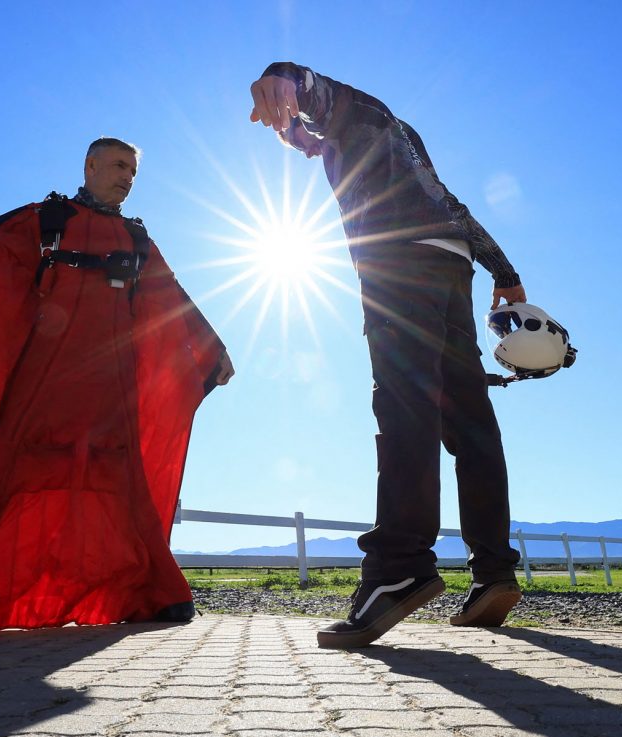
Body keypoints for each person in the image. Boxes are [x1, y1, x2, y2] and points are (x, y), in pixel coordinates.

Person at [0, 138, 234, 642]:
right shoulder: (45, 219)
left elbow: (173, 300)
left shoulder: (138, 240)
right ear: (90, 165)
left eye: (133, 171)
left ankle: (161, 592)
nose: (126, 177)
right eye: (118, 165)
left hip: (113, 384)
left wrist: (212, 351)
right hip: (44, 376)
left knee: (125, 482)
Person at [248, 62, 526, 648]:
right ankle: (494, 571)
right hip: (450, 262)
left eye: (299, 131)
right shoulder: (402, 140)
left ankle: (398, 568)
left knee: (404, 406)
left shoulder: (360, 115)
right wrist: (504, 270)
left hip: (398, 260)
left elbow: (327, 97)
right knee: (470, 420)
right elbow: (450, 203)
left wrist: (284, 77)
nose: (301, 142)